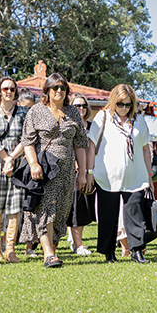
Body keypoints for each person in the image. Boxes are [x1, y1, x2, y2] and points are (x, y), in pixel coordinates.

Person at [20, 73, 88, 268]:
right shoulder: (36, 111)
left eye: (62, 88)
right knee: (46, 209)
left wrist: (82, 173)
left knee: (61, 211)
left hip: (67, 170)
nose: (59, 91)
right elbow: (28, 141)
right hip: (45, 168)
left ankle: (52, 250)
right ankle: (48, 254)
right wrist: (33, 164)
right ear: (47, 91)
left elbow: (80, 143)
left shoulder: (73, 113)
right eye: (54, 88)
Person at [86, 84, 153, 264]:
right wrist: (89, 171)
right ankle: (109, 252)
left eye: (128, 104)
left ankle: (137, 251)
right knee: (108, 215)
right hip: (107, 175)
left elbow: (146, 148)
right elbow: (91, 145)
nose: (124, 108)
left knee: (135, 214)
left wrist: (149, 174)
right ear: (114, 102)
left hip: (135, 176)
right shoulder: (103, 117)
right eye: (120, 104)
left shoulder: (139, 120)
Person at [0, 77, 27, 262]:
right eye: (5, 88)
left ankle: (10, 249)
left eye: (12, 88)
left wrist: (11, 159)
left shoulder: (24, 112)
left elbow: (27, 138)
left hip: (16, 161)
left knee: (15, 208)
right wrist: (5, 158)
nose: (8, 91)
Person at [66, 93, 95, 256]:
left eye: (83, 105)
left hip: (93, 171)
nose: (81, 108)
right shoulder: (68, 125)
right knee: (76, 208)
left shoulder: (92, 126)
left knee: (85, 208)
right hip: (73, 171)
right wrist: (79, 167)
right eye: (77, 106)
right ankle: (78, 244)